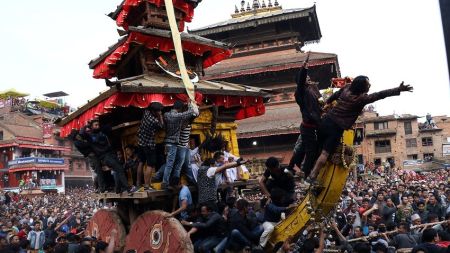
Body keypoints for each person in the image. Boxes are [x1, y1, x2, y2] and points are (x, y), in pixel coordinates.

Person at [308, 78, 413, 182]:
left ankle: (307, 171)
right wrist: (398, 89)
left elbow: (335, 95)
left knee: (317, 147)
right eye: (368, 84)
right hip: (336, 127)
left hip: (326, 120)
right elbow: (380, 94)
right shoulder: (361, 98)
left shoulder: (347, 88)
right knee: (325, 153)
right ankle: (312, 176)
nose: (370, 86)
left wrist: (327, 102)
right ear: (362, 87)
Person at [289, 52, 322, 178]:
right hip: (308, 125)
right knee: (311, 150)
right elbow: (302, 78)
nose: (308, 78)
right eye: (305, 77)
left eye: (308, 76)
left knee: (302, 149)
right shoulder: (300, 92)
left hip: (314, 124)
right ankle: (306, 173)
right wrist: (304, 66)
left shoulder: (312, 90)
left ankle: (290, 167)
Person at [80, 119, 130, 194]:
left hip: (111, 154)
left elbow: (108, 127)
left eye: (98, 124)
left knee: (118, 169)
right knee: (119, 168)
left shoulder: (102, 132)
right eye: (95, 125)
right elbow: (82, 133)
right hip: (104, 157)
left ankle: (118, 189)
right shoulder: (89, 136)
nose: (97, 126)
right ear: (91, 127)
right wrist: (87, 126)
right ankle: (127, 188)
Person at [161, 100, 198, 189]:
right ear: (180, 108)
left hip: (167, 142)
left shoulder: (166, 115)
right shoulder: (179, 116)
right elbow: (192, 112)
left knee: (170, 164)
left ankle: (166, 182)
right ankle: (165, 183)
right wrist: (190, 103)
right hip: (174, 143)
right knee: (172, 165)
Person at [136, 102, 164, 190]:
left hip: (141, 142)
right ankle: (147, 185)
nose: (160, 112)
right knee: (150, 165)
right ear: (154, 112)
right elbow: (162, 125)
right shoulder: (153, 121)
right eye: (159, 111)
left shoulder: (146, 113)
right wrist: (160, 116)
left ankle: (138, 183)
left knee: (141, 162)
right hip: (149, 144)